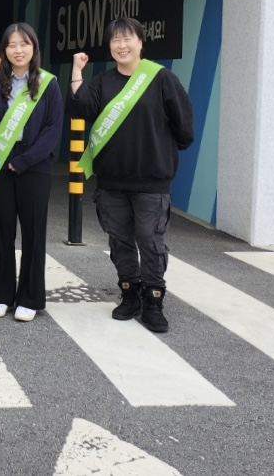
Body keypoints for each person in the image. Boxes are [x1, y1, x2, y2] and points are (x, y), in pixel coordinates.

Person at [68, 17, 194, 333]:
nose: (122, 45)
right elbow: (82, 108)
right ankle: (130, 293)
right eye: (115, 40)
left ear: (140, 42)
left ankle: (154, 300)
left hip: (152, 180)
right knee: (120, 240)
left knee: (151, 241)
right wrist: (77, 71)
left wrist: (159, 150)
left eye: (128, 39)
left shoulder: (161, 78)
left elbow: (184, 128)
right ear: (109, 46)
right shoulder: (102, 82)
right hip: (112, 181)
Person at [0, 22, 64, 323]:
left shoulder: (48, 83)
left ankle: (29, 297)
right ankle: (0, 295)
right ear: (4, 50)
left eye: (24, 44)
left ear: (34, 48)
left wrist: (26, 160)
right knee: (1, 231)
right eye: (12, 44)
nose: (18, 50)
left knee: (34, 232)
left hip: (34, 164)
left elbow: (53, 128)